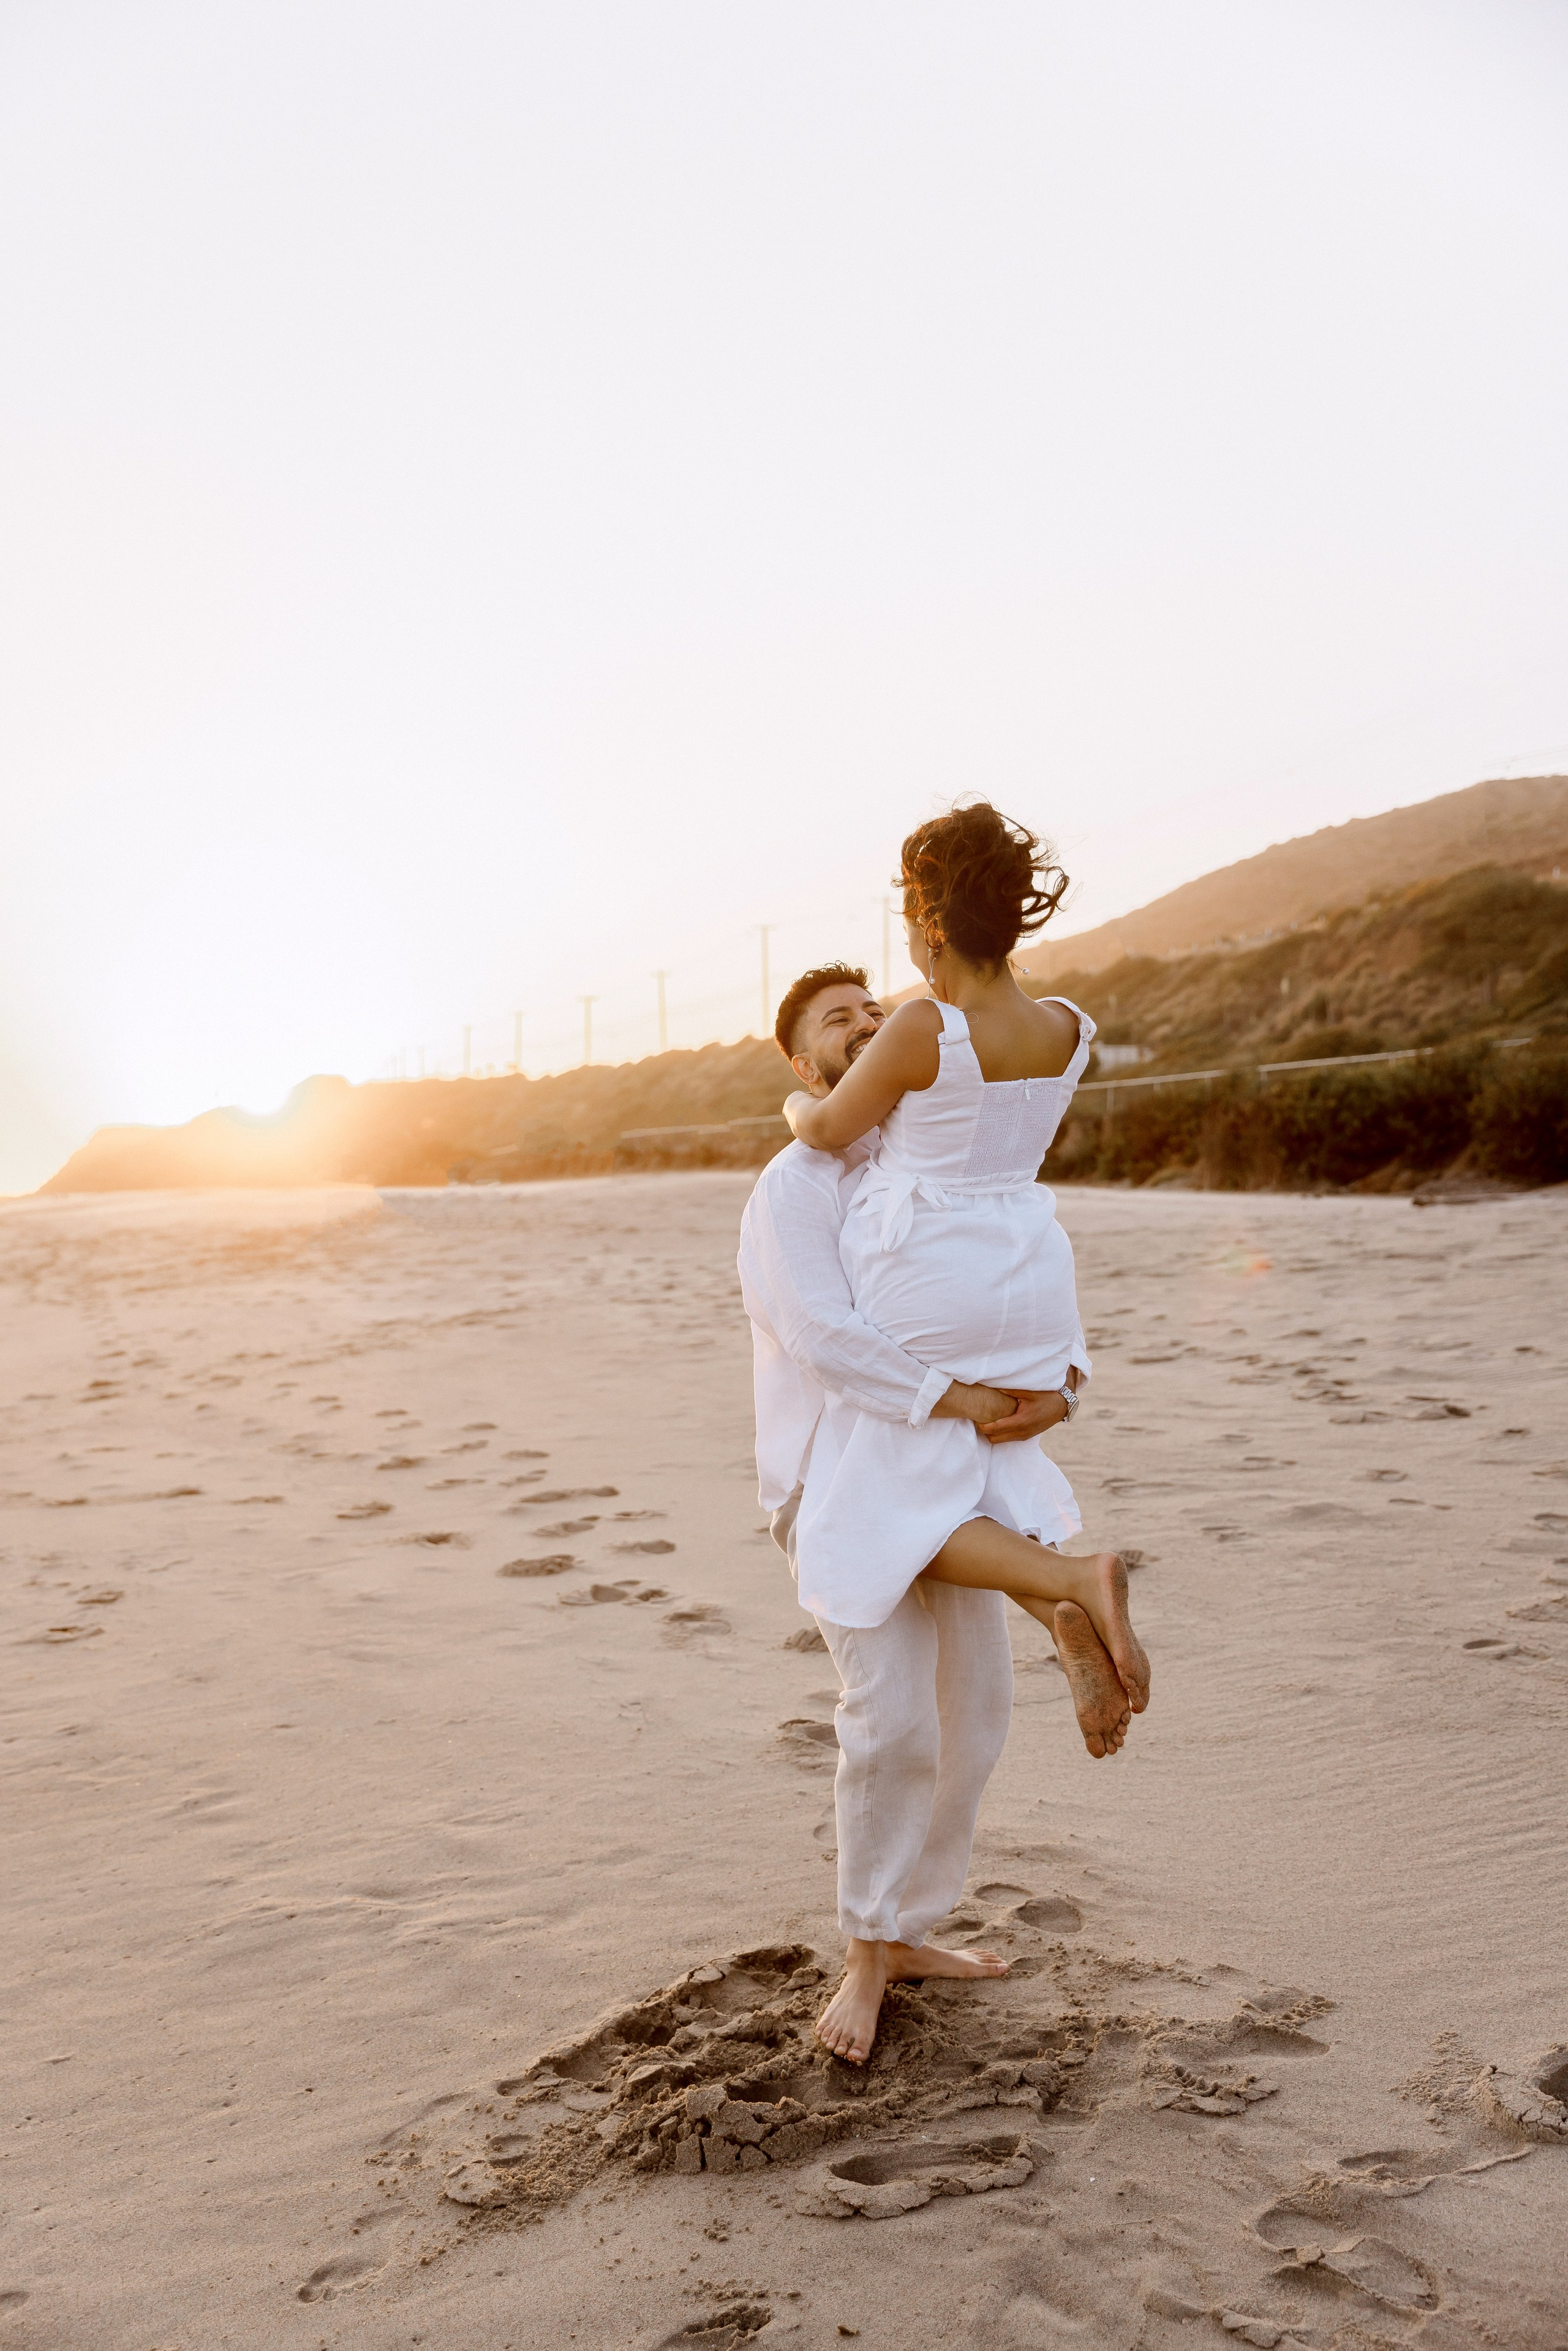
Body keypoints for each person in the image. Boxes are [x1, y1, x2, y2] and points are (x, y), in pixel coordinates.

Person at [739, 940, 1142, 2066]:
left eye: (872, 1006)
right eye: (835, 1020)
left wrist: (1062, 1382)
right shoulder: (796, 1185)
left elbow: (1005, 1262)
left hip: (948, 1473)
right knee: (893, 1720)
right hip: (838, 1479)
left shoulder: (921, 1158)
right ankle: (866, 1952)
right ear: (801, 1064)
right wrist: (953, 1396)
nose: (864, 1023)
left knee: (975, 1715)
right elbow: (822, 1336)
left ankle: (909, 1931)